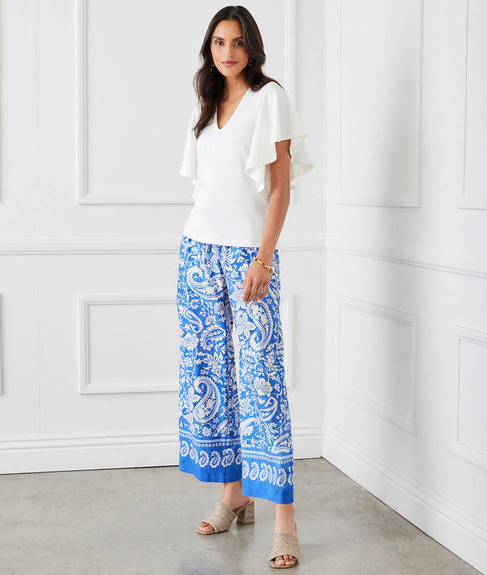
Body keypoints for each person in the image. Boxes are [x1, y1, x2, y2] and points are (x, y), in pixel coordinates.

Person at [176, 5, 313, 569]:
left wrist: (264, 258)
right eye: (218, 42)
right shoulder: (206, 104)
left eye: (236, 42)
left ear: (252, 47)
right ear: (209, 49)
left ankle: (284, 520)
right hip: (197, 252)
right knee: (211, 376)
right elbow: (205, 188)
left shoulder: (269, 98)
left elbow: (280, 189)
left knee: (261, 380)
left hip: (247, 257)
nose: (227, 52)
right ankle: (234, 496)